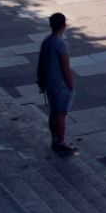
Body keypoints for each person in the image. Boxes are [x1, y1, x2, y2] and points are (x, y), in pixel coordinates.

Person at [36, 13, 76, 155]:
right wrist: (70, 85)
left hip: (49, 83)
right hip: (60, 85)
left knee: (53, 112)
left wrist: (40, 80)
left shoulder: (46, 41)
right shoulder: (61, 44)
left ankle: (54, 139)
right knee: (61, 113)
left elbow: (40, 63)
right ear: (64, 25)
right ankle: (61, 141)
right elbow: (66, 68)